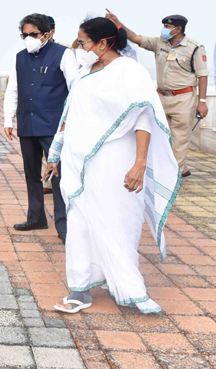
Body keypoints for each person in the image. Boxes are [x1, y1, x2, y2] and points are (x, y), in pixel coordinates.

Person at [48, 17, 179, 314]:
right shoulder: (85, 73)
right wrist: (55, 153)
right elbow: (72, 116)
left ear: (103, 43)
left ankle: (129, 286)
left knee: (117, 221)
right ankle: (80, 288)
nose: (77, 48)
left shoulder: (129, 72)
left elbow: (144, 118)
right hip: (79, 161)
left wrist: (140, 164)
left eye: (82, 43)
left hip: (115, 159)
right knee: (79, 221)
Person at [106, 11, 209, 176]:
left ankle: (176, 173)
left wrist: (202, 101)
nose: (164, 29)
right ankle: (168, 169)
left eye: (168, 26)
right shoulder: (159, 42)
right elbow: (135, 38)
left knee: (180, 138)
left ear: (178, 29)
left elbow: (202, 75)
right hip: (161, 96)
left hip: (183, 98)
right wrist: (118, 22)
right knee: (161, 135)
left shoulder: (195, 47)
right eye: (164, 26)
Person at [4, 14, 78, 242]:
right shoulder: (20, 58)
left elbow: (75, 89)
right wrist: (9, 119)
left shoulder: (64, 54)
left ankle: (64, 226)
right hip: (28, 123)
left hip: (54, 126)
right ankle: (36, 217)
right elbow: (13, 89)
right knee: (31, 174)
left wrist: (70, 124)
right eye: (24, 35)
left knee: (58, 175)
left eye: (33, 34)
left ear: (47, 34)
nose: (28, 39)